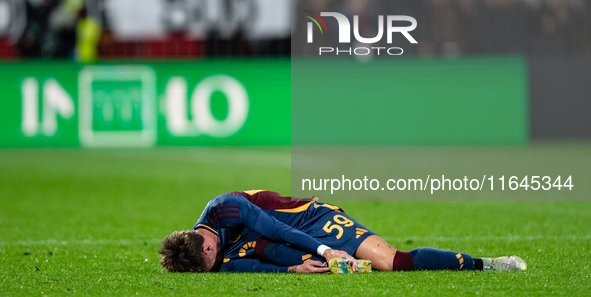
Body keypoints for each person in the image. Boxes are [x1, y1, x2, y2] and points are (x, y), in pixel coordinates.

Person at [159, 190, 526, 273]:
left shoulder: (226, 208)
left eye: (213, 254)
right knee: (277, 257)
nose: (217, 259)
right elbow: (250, 262)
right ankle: (309, 262)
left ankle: (486, 264)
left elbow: (277, 227)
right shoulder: (209, 258)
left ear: (206, 246)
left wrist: (325, 251)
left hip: (310, 219)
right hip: (281, 240)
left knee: (393, 262)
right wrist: (293, 269)